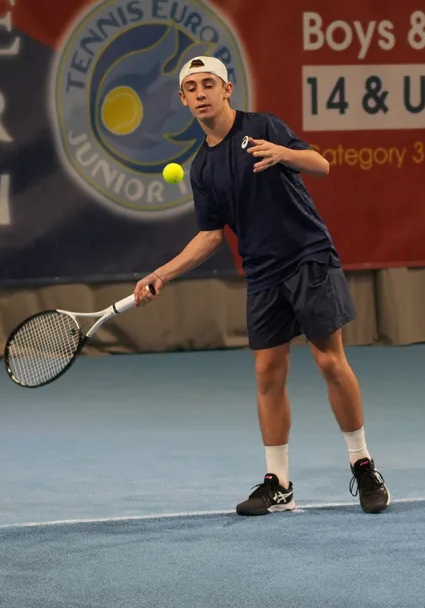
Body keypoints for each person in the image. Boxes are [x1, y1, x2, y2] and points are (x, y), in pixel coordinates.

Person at [132, 56, 390, 516]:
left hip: (308, 255)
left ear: (227, 89)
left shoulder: (262, 126)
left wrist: (282, 153)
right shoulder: (202, 169)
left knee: (330, 362)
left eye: (208, 84)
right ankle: (280, 484)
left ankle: (363, 464)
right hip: (263, 272)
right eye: (191, 89)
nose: (200, 94)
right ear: (183, 100)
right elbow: (212, 236)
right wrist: (162, 273)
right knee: (267, 374)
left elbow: (322, 165)